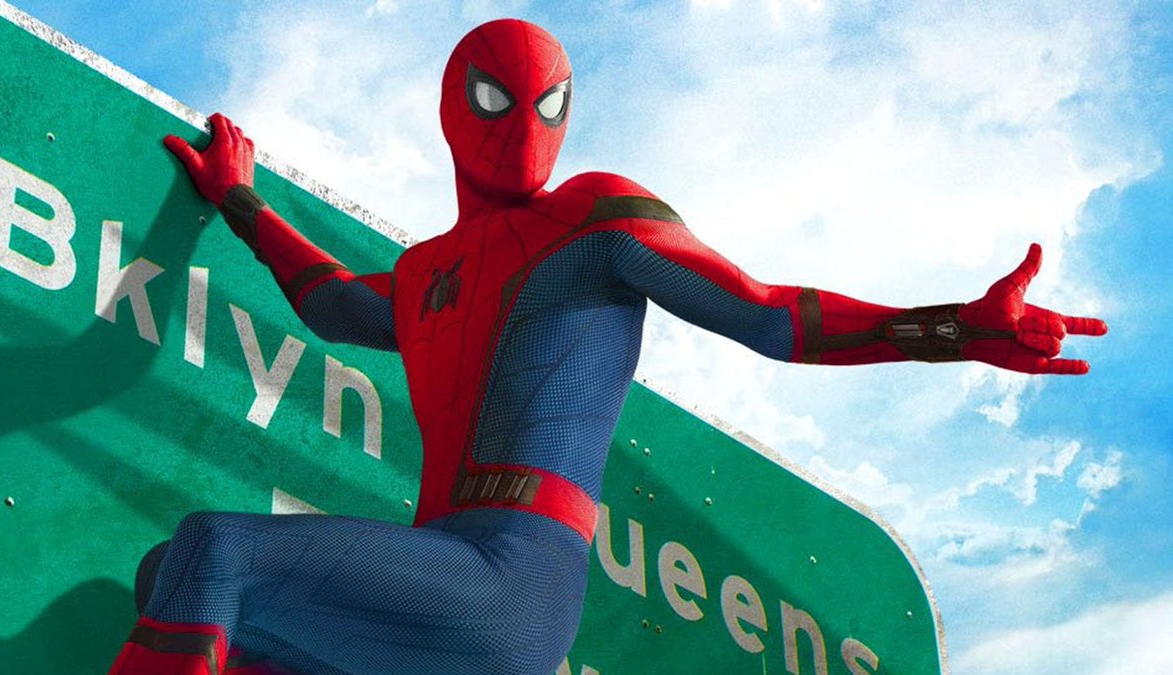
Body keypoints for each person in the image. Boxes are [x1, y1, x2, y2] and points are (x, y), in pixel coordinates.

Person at [109, 17, 1107, 675]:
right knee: (171, 580)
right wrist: (238, 201)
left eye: (550, 104)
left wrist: (953, 327)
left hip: (515, 583)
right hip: (430, 582)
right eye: (497, 100)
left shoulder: (595, 219)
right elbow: (328, 300)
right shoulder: (427, 277)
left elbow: (770, 313)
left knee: (218, 551)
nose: (525, 127)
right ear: (454, 108)